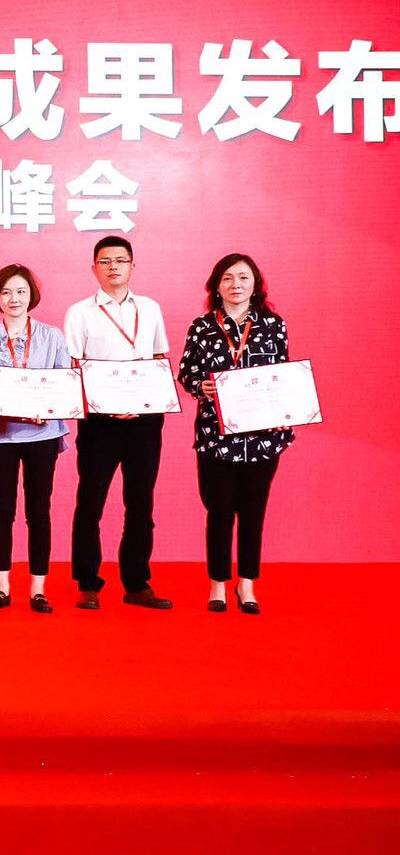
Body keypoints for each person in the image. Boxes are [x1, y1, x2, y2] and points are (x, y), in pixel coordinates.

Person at [178, 253, 293, 614]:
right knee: (219, 512)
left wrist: (285, 412)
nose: (236, 285)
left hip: (262, 438)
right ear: (216, 286)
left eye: (243, 278)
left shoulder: (273, 324)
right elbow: (186, 372)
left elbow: (284, 375)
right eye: (227, 278)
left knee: (253, 512)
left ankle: (247, 584)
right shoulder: (202, 326)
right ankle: (217, 584)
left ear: (255, 285)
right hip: (216, 437)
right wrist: (200, 387)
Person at [62, 235, 173, 610]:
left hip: (145, 421)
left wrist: (151, 397)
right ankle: (87, 583)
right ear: (94, 268)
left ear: (132, 266)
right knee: (90, 502)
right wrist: (107, 404)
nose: (113, 267)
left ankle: (137, 584)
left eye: (121, 260)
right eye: (105, 261)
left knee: (141, 503)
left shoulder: (150, 308)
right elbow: (74, 367)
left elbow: (159, 358)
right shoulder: (80, 312)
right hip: (100, 422)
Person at [0, 264, 70, 613]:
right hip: (0, 437)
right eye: (7, 292)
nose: (14, 298)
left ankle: (38, 589)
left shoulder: (52, 336)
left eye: (21, 292)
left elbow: (65, 382)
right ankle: (2, 587)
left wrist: (50, 407)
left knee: (39, 511)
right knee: (2, 511)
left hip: (43, 434)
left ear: (32, 296)